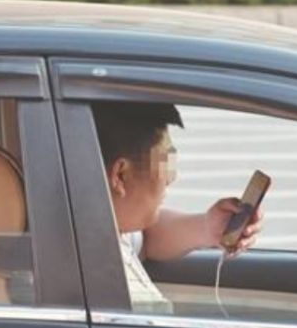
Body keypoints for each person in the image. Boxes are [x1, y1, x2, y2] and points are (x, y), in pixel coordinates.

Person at [92, 101, 263, 313]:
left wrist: (207, 227)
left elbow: (147, 237)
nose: (172, 178)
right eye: (166, 161)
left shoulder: (103, 226)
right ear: (121, 175)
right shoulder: (116, 293)